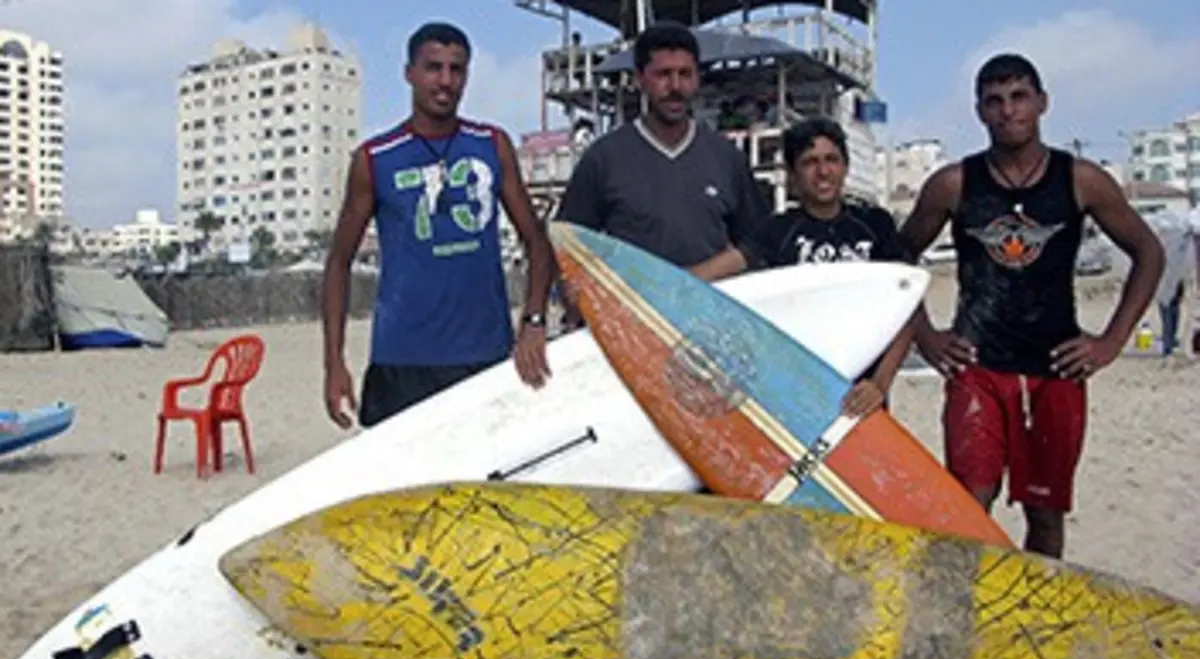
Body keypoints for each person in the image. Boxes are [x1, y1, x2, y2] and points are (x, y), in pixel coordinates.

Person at [897, 53, 1165, 559]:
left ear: (1042, 103)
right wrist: (925, 336)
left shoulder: (1079, 179)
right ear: (979, 111)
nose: (1008, 111)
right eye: (994, 101)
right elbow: (898, 256)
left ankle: (1034, 623)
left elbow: (1147, 251)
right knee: (969, 506)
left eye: (1019, 97)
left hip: (1056, 368)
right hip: (977, 364)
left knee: (1045, 514)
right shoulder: (954, 183)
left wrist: (1110, 342)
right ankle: (968, 617)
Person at [321, 22, 555, 429]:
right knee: (404, 488)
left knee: (487, 483)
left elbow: (537, 241)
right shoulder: (375, 158)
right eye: (433, 68)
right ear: (409, 72)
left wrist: (534, 322)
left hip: (484, 355)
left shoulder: (491, 144)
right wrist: (334, 362)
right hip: (403, 360)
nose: (445, 81)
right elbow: (339, 262)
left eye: (456, 69)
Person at [555, 21, 769, 284]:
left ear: (697, 78)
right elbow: (569, 245)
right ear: (639, 79)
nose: (675, 86)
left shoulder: (727, 158)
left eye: (685, 74)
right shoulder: (603, 159)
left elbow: (757, 243)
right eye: (663, 74)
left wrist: (692, 280)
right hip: (634, 314)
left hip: (711, 316)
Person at [744, 117, 916, 418]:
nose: (823, 172)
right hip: (799, 396)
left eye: (831, 160)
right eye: (810, 162)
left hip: (864, 397)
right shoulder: (775, 233)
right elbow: (735, 281)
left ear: (846, 167)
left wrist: (880, 384)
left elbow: (907, 310)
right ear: (792, 174)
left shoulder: (876, 225)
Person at [1149, 209, 1193, 357]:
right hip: (1174, 278)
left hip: (1166, 279)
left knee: (1167, 310)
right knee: (1172, 310)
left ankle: (1169, 342)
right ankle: (1170, 341)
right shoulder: (1179, 240)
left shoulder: (1164, 241)